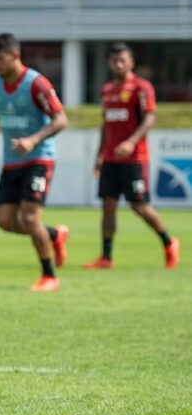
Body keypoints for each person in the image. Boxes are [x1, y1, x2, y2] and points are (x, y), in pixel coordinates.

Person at [0, 33, 70, 292]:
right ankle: (54, 235)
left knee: (29, 218)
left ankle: (49, 276)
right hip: (11, 162)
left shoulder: (36, 83)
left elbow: (61, 119)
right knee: (5, 221)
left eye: (0, 59)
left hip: (39, 158)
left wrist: (33, 140)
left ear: (15, 56)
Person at [84, 42, 180, 270]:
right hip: (110, 159)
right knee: (108, 206)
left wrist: (131, 142)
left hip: (134, 159)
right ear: (109, 63)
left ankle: (168, 242)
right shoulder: (106, 90)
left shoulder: (141, 88)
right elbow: (106, 125)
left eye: (122, 60)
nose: (118, 64)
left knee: (139, 206)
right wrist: (99, 155)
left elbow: (149, 119)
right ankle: (106, 257)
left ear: (131, 62)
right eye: (114, 60)